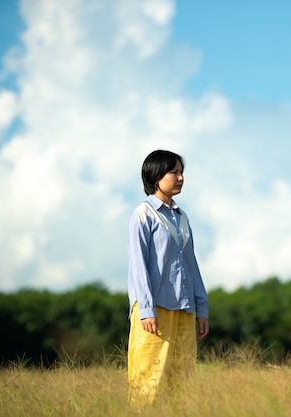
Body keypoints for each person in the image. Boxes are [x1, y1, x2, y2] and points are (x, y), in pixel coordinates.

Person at [127, 149, 209, 408]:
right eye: (174, 172)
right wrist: (147, 310)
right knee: (148, 379)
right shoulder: (144, 213)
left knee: (182, 380)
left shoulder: (182, 217)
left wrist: (201, 307)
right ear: (155, 176)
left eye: (181, 172)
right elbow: (138, 266)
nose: (180, 178)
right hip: (154, 311)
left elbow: (191, 265)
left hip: (185, 309)